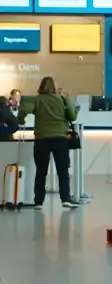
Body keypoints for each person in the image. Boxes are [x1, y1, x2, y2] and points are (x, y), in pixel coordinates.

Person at [17, 77, 79, 209]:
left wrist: (21, 120)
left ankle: (38, 202)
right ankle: (65, 199)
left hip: (41, 139)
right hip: (60, 138)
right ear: (54, 87)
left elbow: (23, 109)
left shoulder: (37, 100)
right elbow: (73, 117)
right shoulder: (61, 99)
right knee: (62, 171)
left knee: (41, 171)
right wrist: (66, 98)